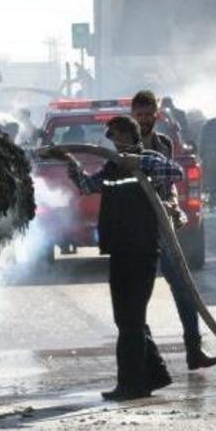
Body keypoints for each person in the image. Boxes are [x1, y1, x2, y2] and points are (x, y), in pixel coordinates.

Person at [65, 115, 182, 400]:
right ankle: (155, 373)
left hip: (142, 250)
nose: (113, 142)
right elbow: (88, 186)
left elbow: (175, 172)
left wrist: (138, 163)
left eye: (117, 135)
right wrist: (72, 167)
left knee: (131, 319)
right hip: (119, 249)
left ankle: (131, 384)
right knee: (127, 318)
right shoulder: (111, 166)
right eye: (111, 137)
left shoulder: (150, 160)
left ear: (131, 136)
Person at [130, 90, 216, 370]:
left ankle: (194, 349)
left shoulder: (163, 143)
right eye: (139, 115)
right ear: (133, 115)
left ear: (156, 115)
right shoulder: (123, 145)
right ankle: (142, 359)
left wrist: (171, 205)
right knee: (136, 298)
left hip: (163, 227)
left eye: (148, 115)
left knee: (184, 288)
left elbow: (168, 180)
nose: (144, 120)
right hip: (136, 230)